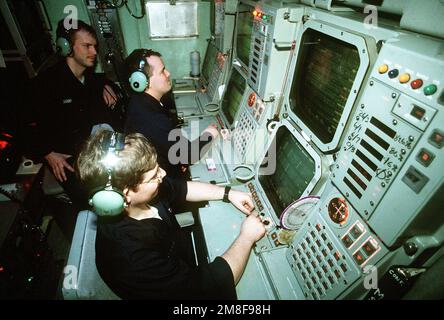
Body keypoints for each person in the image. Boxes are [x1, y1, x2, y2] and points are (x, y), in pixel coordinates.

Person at [76, 130, 266, 299]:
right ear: (125, 194)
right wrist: (247, 237)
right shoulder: (130, 258)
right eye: (153, 176)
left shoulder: (143, 194)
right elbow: (207, 288)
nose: (163, 173)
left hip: (180, 258)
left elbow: (181, 188)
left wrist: (228, 193)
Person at [24, 19, 119, 208]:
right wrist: (48, 154)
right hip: (66, 159)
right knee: (99, 202)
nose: (94, 52)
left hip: (93, 151)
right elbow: (23, 126)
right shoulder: (44, 84)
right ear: (66, 47)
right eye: (87, 46)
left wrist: (107, 85)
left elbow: (99, 82)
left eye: (95, 46)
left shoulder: (92, 79)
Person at [124, 49, 219, 179]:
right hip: (163, 183)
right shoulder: (152, 119)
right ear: (142, 81)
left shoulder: (139, 102)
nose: (168, 73)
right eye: (162, 71)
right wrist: (210, 134)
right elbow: (188, 155)